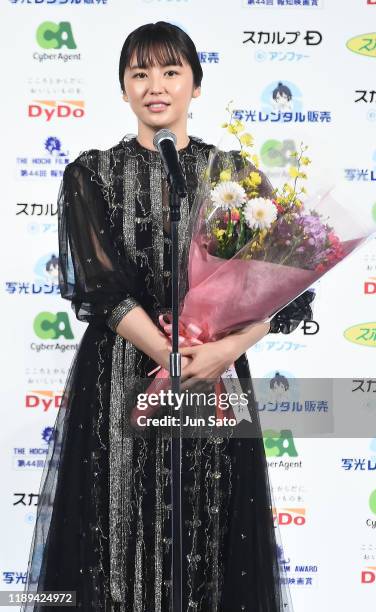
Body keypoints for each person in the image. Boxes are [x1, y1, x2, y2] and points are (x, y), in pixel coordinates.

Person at [21, 21, 315, 612]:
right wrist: (168, 358)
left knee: (207, 523)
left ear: (195, 87)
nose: (156, 85)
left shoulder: (234, 175)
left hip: (214, 373)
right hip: (121, 378)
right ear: (124, 88)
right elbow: (101, 288)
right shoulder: (90, 174)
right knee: (115, 529)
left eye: (171, 71)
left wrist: (224, 352)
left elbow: (291, 290)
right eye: (140, 73)